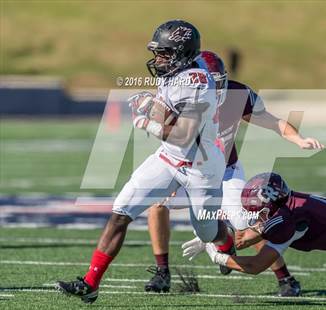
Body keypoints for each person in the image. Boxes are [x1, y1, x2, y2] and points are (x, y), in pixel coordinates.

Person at [56, 20, 233, 304]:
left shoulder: (198, 83)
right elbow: (168, 115)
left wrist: (145, 121)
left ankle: (226, 241)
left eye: (165, 53)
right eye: (158, 52)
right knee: (120, 212)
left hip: (201, 167)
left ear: (182, 54)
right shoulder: (170, 72)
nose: (158, 59)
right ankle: (90, 283)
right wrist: (153, 105)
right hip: (168, 158)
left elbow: (184, 135)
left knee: (207, 231)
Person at [144, 51, 324, 296]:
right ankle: (162, 271)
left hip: (226, 170)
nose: (216, 89)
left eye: (220, 82)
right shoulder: (178, 93)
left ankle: (284, 278)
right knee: (157, 203)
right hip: (184, 166)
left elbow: (272, 121)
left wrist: (298, 139)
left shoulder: (237, 95)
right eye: (211, 82)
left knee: (248, 219)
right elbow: (163, 128)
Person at [183, 172, 326, 276]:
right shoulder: (290, 204)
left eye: (258, 210)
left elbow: (255, 264)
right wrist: (214, 231)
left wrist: (217, 254)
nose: (256, 215)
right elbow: (253, 231)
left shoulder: (288, 221)